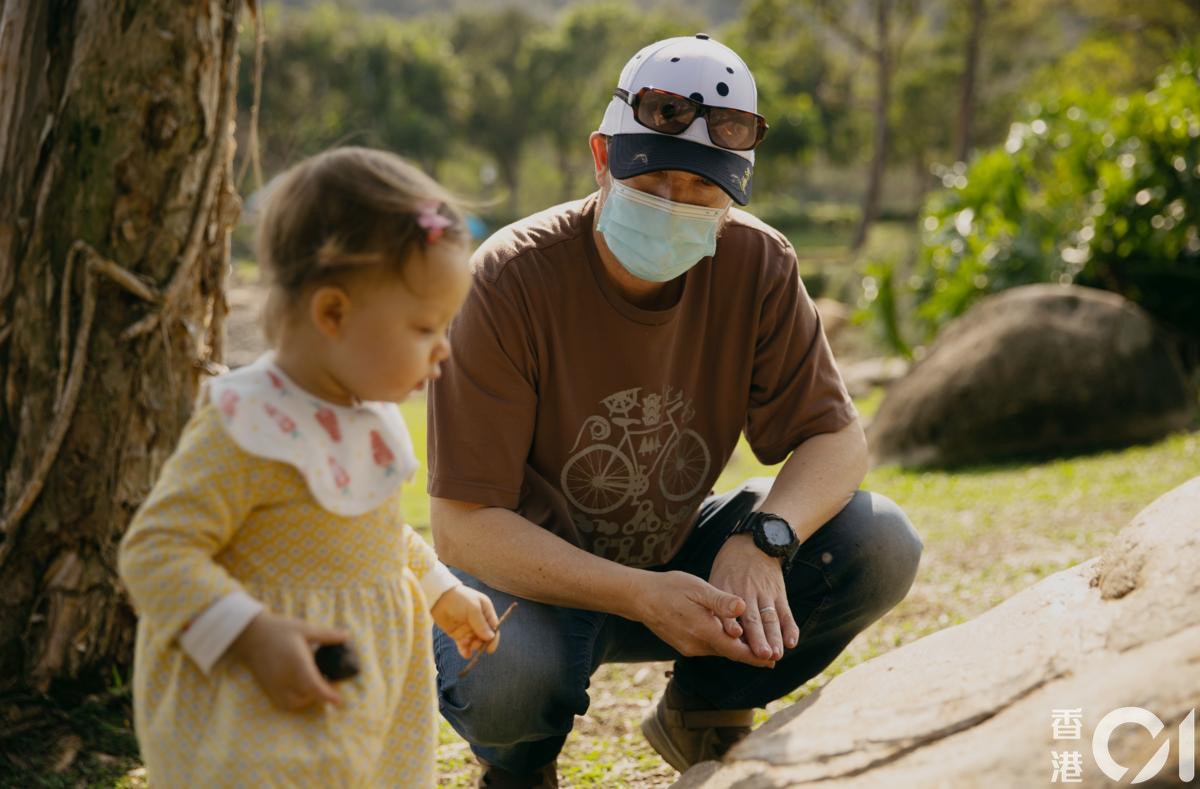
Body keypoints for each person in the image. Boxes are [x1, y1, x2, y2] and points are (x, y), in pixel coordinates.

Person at [427, 35, 924, 787]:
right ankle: (519, 766)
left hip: (676, 557)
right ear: (603, 156)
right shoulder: (507, 278)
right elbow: (462, 523)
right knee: (509, 672)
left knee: (879, 538)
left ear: (738, 184)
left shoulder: (758, 264)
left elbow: (837, 437)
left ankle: (705, 710)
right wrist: (636, 592)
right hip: (533, 579)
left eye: (704, 190)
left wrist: (765, 539)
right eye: (653, 179)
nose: (676, 205)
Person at [118, 147, 500, 787]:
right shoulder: (247, 424)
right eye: (424, 328)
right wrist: (251, 633)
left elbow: (371, 526)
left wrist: (438, 588)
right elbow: (154, 551)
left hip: (368, 698)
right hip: (258, 701)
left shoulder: (367, 416)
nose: (444, 352)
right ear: (332, 313)